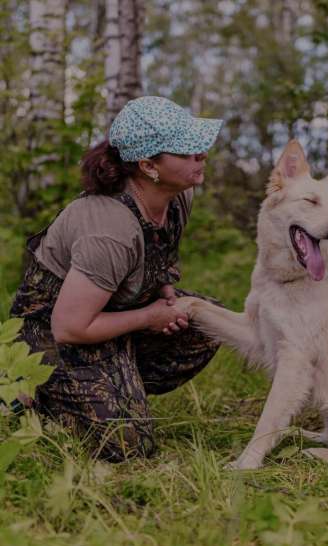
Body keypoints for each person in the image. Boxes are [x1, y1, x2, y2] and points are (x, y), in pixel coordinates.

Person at [10, 96, 223, 461]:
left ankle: (112, 382)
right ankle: (33, 394)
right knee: (126, 445)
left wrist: (164, 287)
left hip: (113, 314)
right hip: (53, 332)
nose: (200, 154)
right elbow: (69, 327)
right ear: (147, 165)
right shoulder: (108, 230)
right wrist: (149, 317)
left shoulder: (179, 195)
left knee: (208, 323)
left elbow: (161, 252)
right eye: (186, 150)